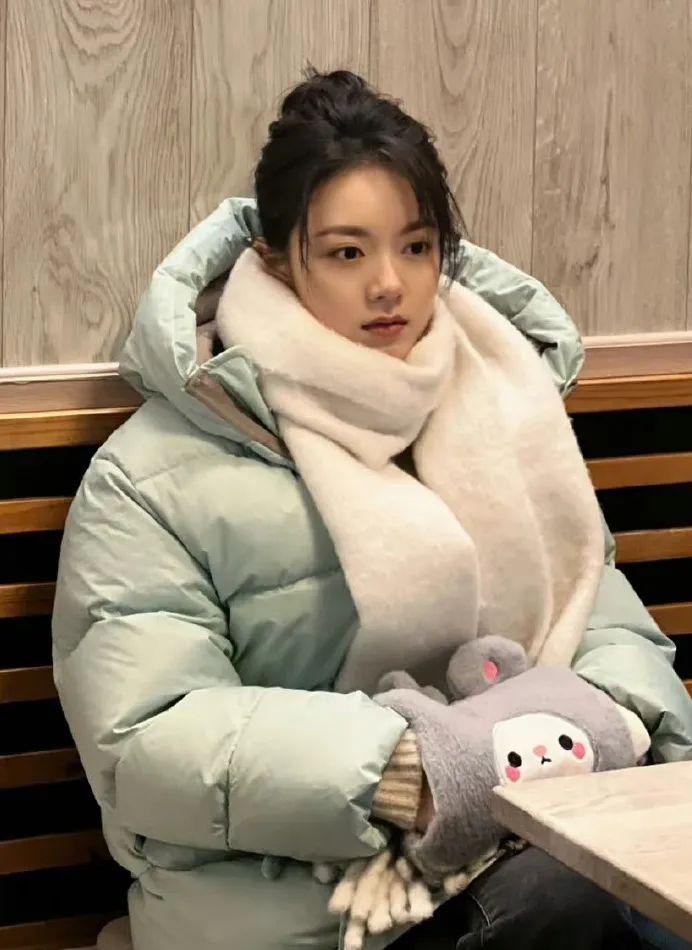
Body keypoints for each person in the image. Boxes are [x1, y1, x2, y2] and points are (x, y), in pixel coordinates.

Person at [52, 67, 692, 950]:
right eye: (347, 253)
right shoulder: (150, 476)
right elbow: (146, 741)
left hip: (537, 832)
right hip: (304, 901)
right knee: (577, 905)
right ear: (276, 259)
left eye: (416, 246)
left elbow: (610, 628)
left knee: (603, 897)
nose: (390, 283)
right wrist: (410, 771)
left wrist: (603, 724)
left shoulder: (509, 412)